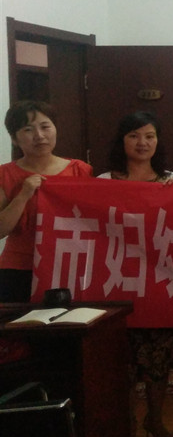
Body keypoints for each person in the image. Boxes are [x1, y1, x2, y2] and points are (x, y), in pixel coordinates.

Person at [98, 111, 173, 437]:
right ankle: (127, 423)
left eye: (149, 136)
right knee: (122, 363)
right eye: (134, 136)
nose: (142, 143)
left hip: (159, 283)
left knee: (159, 359)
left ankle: (155, 420)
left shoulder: (170, 179)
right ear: (122, 141)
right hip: (116, 282)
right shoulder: (103, 181)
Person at [1, 101, 92, 303]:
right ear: (14, 139)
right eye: (28, 130)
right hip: (18, 269)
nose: (39, 135)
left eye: (45, 126)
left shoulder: (80, 170)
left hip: (68, 265)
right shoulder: (5, 174)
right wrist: (24, 194)